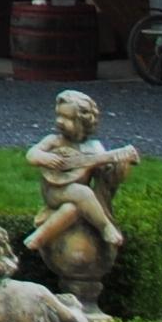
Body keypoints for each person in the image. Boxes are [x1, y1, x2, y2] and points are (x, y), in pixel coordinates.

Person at [24, 90, 139, 260]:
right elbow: (31, 155)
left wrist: (117, 163)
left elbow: (105, 170)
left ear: (83, 122)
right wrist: (44, 157)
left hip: (78, 199)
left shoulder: (94, 148)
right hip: (54, 192)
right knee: (82, 193)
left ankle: (39, 237)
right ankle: (105, 226)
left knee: (72, 209)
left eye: (68, 118)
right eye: (59, 116)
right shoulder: (53, 140)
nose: (60, 122)